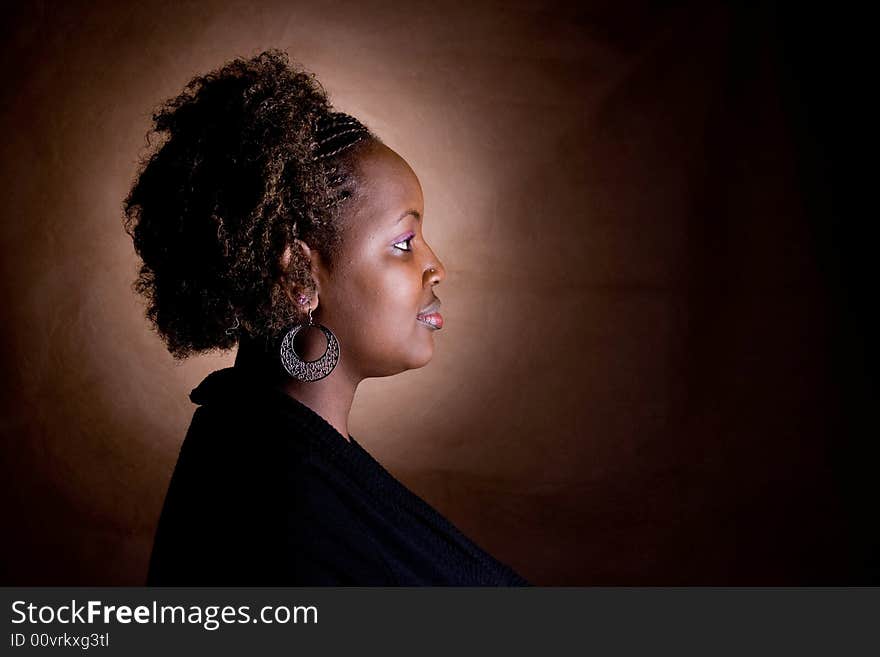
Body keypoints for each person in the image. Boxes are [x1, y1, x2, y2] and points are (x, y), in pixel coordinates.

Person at [124, 50, 527, 585]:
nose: (437, 268)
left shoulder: (273, 448)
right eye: (404, 243)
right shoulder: (272, 501)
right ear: (300, 279)